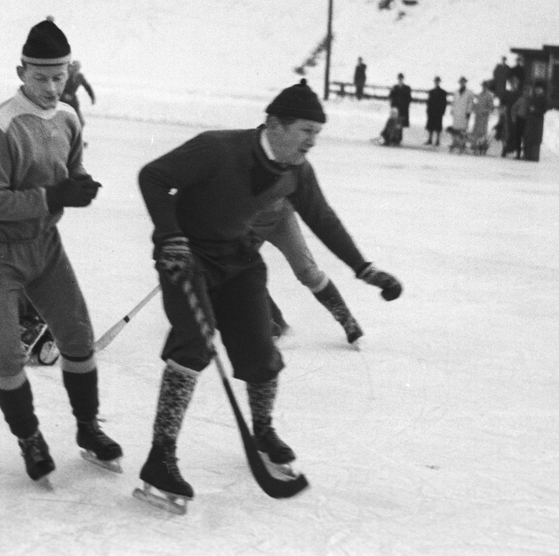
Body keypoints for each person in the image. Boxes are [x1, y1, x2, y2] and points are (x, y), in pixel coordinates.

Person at [134, 80, 403, 511]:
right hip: (186, 257)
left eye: (318, 132)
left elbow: (323, 218)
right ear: (274, 125)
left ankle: (263, 431)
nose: (313, 141)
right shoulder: (218, 149)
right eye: (306, 131)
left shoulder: (296, 170)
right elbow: (153, 176)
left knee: (261, 349)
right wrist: (170, 236)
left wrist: (364, 269)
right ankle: (160, 457)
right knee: (194, 345)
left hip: (239, 260)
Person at [0, 19, 120, 482]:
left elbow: (70, 169)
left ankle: (88, 429)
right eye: (41, 78)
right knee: (7, 356)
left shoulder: (68, 118)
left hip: (44, 245)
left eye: (60, 77)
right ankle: (29, 438)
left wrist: (79, 185)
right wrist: (54, 197)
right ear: (21, 72)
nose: (52, 88)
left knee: (77, 336)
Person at [257, 200, 364, 345]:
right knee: (243, 269)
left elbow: (312, 202)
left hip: (282, 219)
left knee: (307, 271)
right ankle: (276, 322)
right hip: (246, 221)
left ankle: (347, 321)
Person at [60, 59, 96, 127]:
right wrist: (63, 95)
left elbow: (87, 87)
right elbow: (57, 87)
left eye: (78, 68)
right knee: (63, 122)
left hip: (73, 101)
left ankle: (77, 137)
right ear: (71, 67)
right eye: (75, 68)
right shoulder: (64, 75)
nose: (76, 70)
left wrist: (92, 97)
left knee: (81, 122)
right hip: (61, 101)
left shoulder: (80, 76)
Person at [521, 81, 548, 162]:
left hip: (538, 121)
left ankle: (534, 156)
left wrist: (535, 110)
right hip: (530, 120)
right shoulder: (533, 97)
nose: (537, 90)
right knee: (529, 137)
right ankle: (527, 155)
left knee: (536, 139)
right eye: (536, 89)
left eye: (539, 89)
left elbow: (544, 110)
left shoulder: (544, 98)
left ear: (542, 89)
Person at [448, 77, 475, 153]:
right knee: (455, 130)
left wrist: (468, 112)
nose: (462, 83)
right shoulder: (456, 92)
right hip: (456, 113)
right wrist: (452, 110)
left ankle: (462, 144)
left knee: (462, 130)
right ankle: (455, 143)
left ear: (465, 83)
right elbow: (454, 102)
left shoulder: (469, 92)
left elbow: (470, 103)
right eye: (461, 82)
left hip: (464, 113)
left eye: (463, 82)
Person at [469, 80, 494, 155]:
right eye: (483, 86)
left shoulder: (489, 96)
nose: (484, 87)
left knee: (482, 133)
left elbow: (490, 108)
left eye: (485, 86)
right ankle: (475, 146)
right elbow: (477, 105)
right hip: (477, 116)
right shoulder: (479, 95)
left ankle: (482, 147)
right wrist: (474, 106)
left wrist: (484, 111)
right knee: (475, 132)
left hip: (484, 117)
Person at [425, 76, 447, 147]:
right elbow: (429, 102)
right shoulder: (431, 92)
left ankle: (437, 140)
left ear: (439, 82)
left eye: (437, 81)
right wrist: (428, 110)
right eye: (435, 81)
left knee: (438, 127)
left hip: (438, 112)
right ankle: (430, 139)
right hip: (431, 111)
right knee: (430, 126)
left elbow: (444, 103)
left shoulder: (443, 92)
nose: (436, 82)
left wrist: (443, 111)